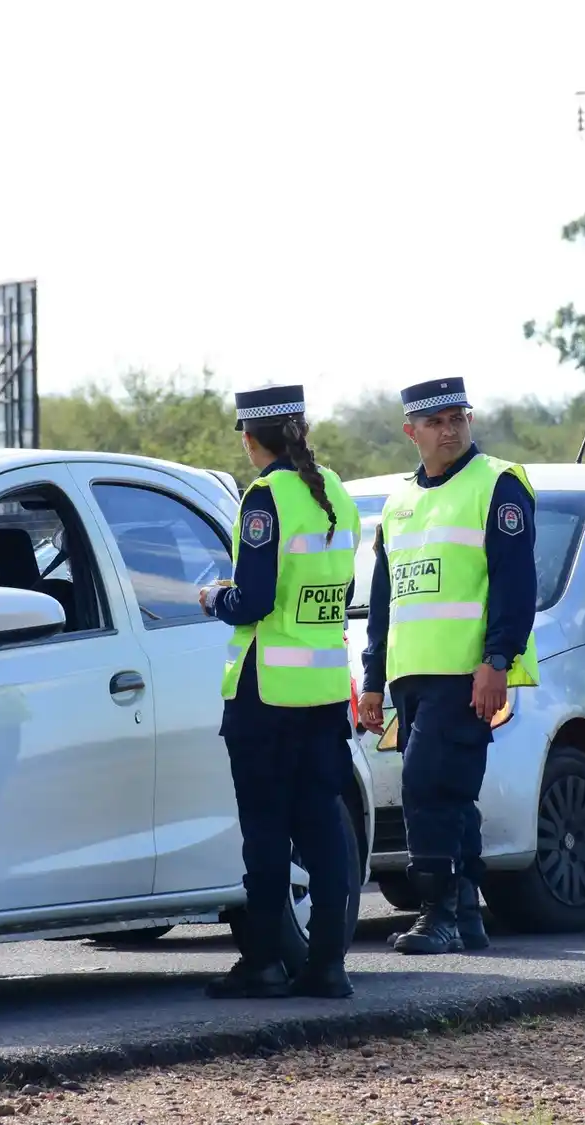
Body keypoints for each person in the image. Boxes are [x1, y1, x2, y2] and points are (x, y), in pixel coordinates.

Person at [357, 377, 539, 955]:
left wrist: (496, 661)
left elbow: (516, 583)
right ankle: (465, 914)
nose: (450, 428)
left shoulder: (498, 484)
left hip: (466, 674)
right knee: (453, 795)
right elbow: (385, 599)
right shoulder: (399, 502)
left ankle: (437, 914)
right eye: (435, 422)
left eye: (458, 417)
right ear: (412, 431)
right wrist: (373, 679)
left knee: (424, 787)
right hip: (412, 675)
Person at [196, 383, 361, 1000]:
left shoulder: (265, 499)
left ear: (249, 438)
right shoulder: (337, 493)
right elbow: (337, 595)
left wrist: (214, 597)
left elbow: (255, 602)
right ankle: (328, 966)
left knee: (265, 832)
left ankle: (263, 963)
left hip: (265, 696)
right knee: (322, 833)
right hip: (321, 693)